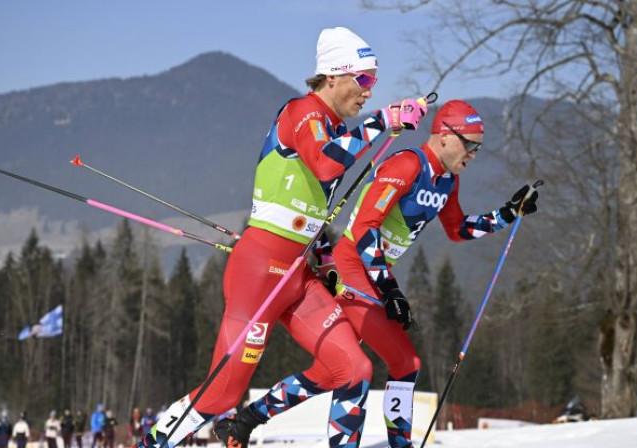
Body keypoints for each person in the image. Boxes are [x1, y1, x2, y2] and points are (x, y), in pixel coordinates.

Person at [136, 26, 426, 448]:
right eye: (363, 80)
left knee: (354, 368)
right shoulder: (303, 112)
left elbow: (315, 211)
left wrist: (326, 259)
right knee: (222, 395)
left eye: (374, 83)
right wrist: (384, 121)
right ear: (333, 75)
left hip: (297, 276)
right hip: (260, 273)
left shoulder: (333, 126)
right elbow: (327, 164)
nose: (369, 92)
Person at [223, 100, 540, 447]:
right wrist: (389, 288)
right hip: (351, 268)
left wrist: (508, 214)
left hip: (374, 275)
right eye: (470, 144)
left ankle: (249, 418)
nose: (474, 154)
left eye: (478, 146)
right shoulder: (406, 164)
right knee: (376, 367)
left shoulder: (447, 182)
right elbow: (364, 229)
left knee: (366, 368)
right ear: (445, 136)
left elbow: (458, 229)